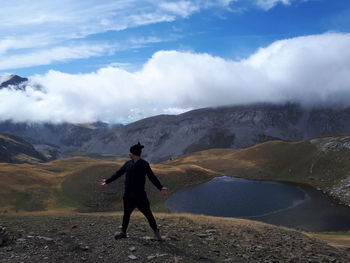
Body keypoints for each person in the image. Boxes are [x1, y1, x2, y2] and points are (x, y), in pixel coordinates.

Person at [99, 142, 168, 241]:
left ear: (134, 153)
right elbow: (118, 173)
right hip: (128, 196)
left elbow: (152, 177)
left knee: (148, 215)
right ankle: (123, 233)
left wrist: (160, 187)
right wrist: (107, 181)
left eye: (130, 152)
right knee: (126, 214)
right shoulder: (128, 163)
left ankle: (157, 234)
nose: (128, 154)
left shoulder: (144, 164)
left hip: (140, 196)